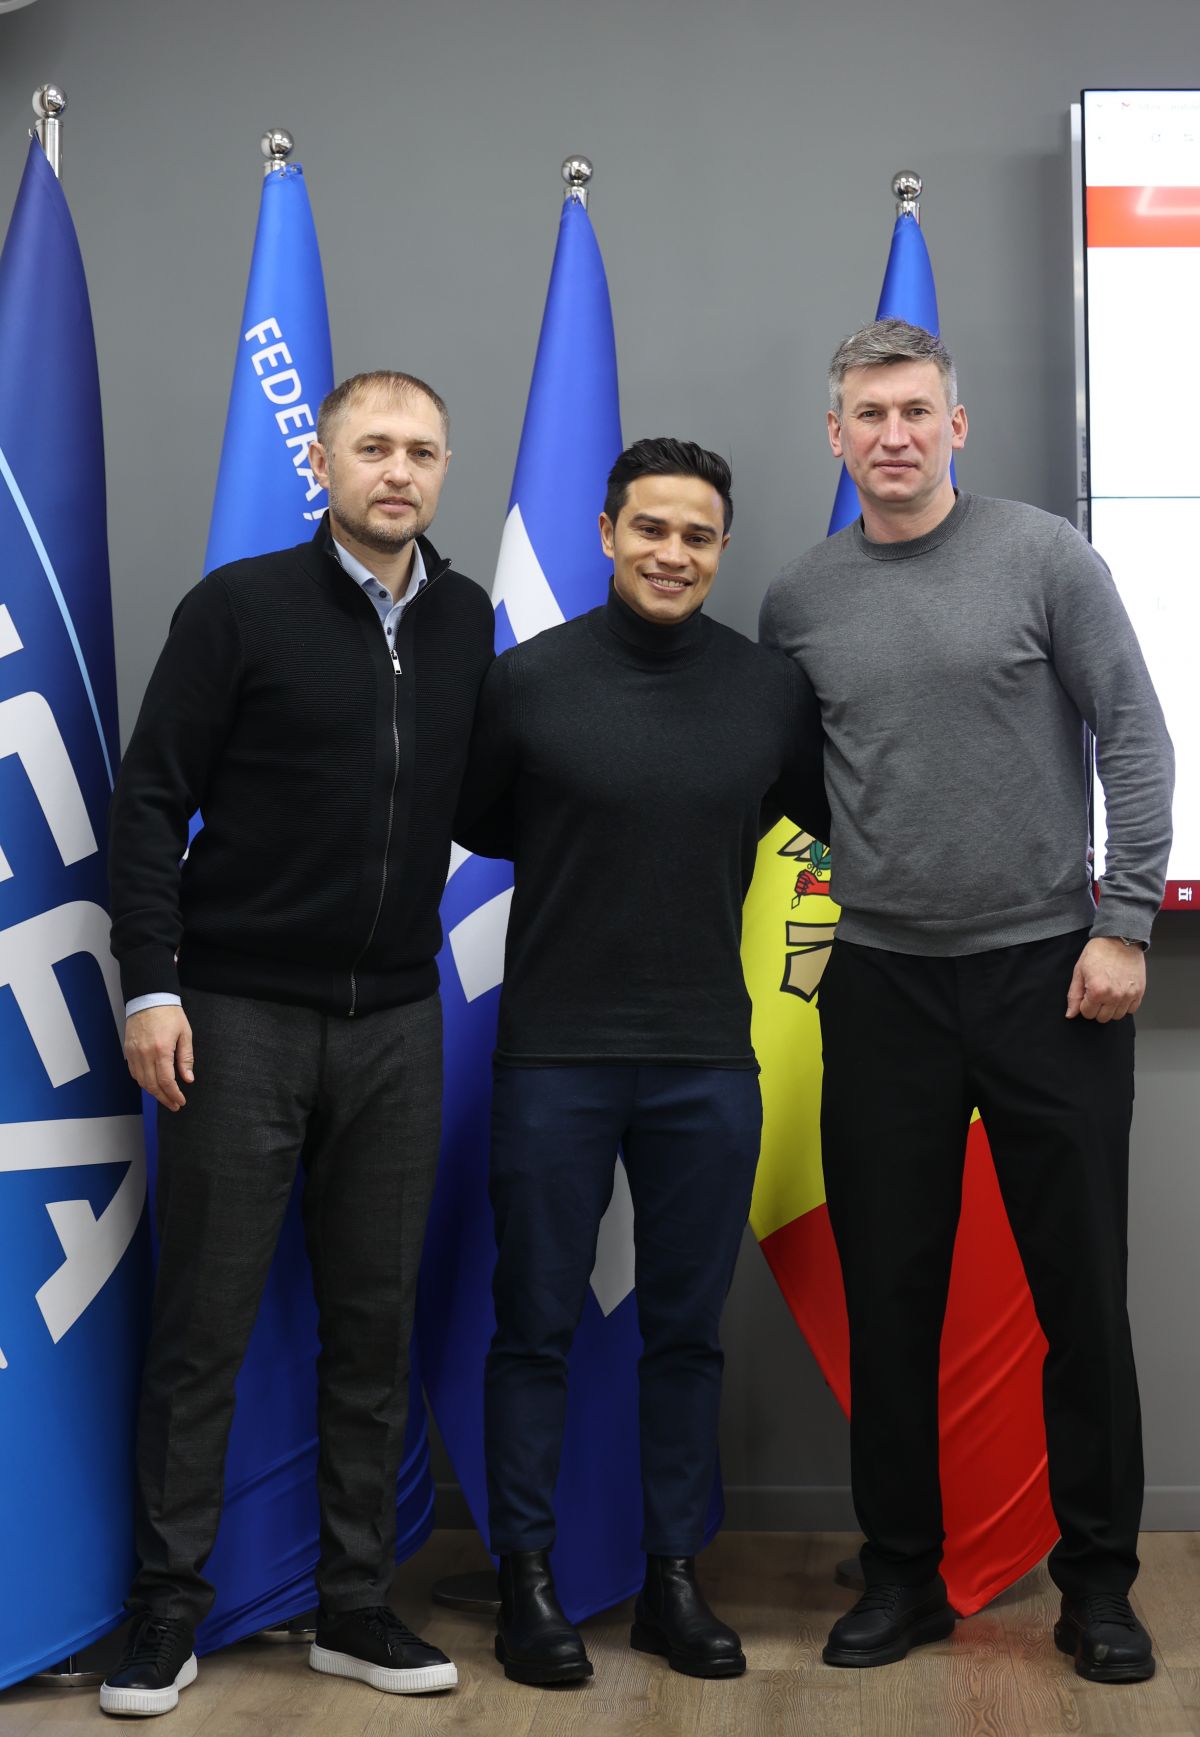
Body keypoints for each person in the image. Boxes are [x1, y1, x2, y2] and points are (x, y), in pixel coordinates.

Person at [760, 319, 1174, 1683]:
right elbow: (804, 783)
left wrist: (1123, 923)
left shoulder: (1045, 557)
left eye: (916, 410)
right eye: (869, 414)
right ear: (836, 435)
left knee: (1082, 1296)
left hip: (1051, 974)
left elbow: (1136, 735)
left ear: (957, 425)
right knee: (892, 1299)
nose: (895, 434)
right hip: (879, 983)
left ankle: (1098, 1588)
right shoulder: (799, 599)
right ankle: (903, 1577)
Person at [101, 371, 494, 1717]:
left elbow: (491, 798)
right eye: (372, 447)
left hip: (397, 1019)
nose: (399, 470)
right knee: (204, 1324)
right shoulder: (239, 608)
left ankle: (356, 1604)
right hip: (237, 1014)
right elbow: (150, 802)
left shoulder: (465, 619)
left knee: (375, 1328)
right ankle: (166, 1611)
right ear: (321, 464)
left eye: (421, 450)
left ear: (444, 469)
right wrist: (151, 988)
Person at [457, 437, 830, 1688]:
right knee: (533, 1327)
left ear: (722, 550)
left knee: (686, 1333)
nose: (674, 553)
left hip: (704, 1060)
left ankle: (674, 1579)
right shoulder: (526, 682)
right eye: (652, 529)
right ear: (609, 533)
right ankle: (527, 1581)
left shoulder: (769, 692)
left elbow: (819, 815)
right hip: (554, 1056)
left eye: (699, 536)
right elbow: (481, 819)